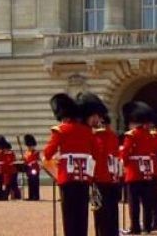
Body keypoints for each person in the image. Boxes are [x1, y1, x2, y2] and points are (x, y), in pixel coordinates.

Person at [42, 93, 96, 236]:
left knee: (69, 213)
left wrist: (59, 156)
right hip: (84, 176)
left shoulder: (61, 130)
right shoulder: (87, 131)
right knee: (82, 212)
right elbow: (95, 152)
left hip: (67, 177)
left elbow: (47, 153)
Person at [78, 92, 121, 236]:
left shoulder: (98, 136)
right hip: (112, 178)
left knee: (101, 212)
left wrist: (90, 178)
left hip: (100, 178)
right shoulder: (113, 136)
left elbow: (95, 158)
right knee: (112, 211)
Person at [121, 102, 157, 235]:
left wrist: (124, 165)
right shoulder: (151, 135)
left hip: (134, 173)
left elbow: (125, 153)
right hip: (147, 172)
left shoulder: (131, 135)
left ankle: (135, 227)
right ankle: (147, 226)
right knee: (147, 202)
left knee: (134, 203)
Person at [0, 136, 17, 200]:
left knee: (11, 185)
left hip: (11, 171)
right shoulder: (2, 153)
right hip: (5, 172)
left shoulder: (11, 153)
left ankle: (11, 196)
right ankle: (5, 196)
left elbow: (13, 161)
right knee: (6, 185)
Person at [23, 134, 42, 201]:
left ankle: (36, 196)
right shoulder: (26, 153)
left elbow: (37, 160)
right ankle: (30, 196)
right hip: (28, 169)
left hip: (35, 169)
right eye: (29, 146)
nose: (30, 147)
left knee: (35, 183)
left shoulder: (36, 152)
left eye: (31, 146)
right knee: (30, 183)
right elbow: (26, 160)